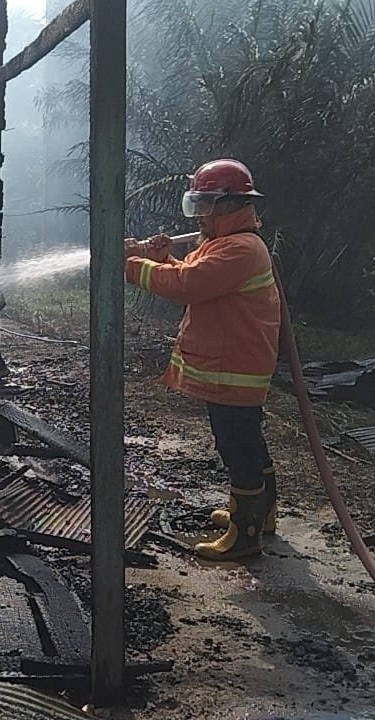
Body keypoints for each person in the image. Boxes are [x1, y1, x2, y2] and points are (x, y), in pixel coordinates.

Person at [124, 158, 281, 561]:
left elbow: (189, 285)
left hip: (235, 370)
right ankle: (260, 515)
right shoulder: (225, 246)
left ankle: (244, 535)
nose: (200, 217)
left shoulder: (240, 249)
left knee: (237, 448)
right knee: (248, 441)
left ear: (229, 205)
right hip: (234, 367)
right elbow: (193, 277)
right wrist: (162, 260)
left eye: (204, 207)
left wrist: (130, 265)